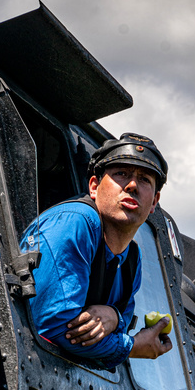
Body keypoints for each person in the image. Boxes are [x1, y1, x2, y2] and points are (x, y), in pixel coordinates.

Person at [20, 132, 173, 370]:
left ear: (154, 202)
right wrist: (131, 346)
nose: (132, 185)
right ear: (94, 186)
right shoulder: (75, 222)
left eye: (144, 179)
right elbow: (54, 326)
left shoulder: (132, 259)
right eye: (121, 174)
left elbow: (120, 324)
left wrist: (114, 316)